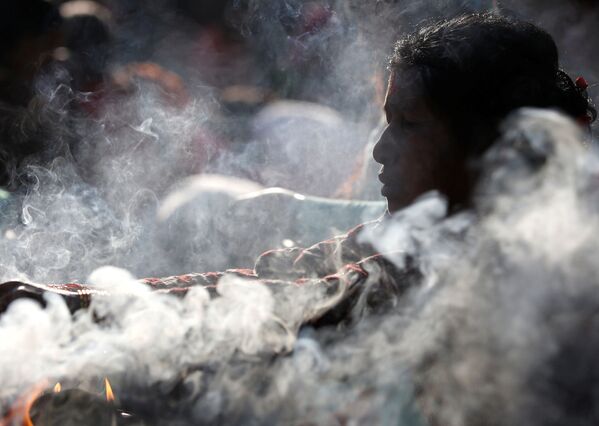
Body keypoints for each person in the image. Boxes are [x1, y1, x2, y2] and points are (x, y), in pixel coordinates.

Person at [0, 13, 596, 326]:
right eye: (385, 124)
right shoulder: (416, 230)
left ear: (483, 142)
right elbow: (275, 280)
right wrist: (73, 296)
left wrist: (71, 306)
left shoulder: (502, 251)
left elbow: (299, 301)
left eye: (410, 125)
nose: (381, 152)